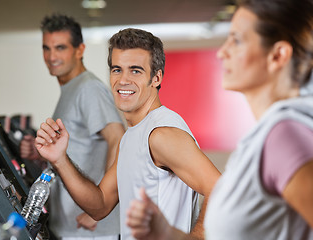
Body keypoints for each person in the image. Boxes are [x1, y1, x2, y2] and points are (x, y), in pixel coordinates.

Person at [125, 0, 313, 239]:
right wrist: (168, 233)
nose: (222, 52)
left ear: (278, 55)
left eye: (236, 40)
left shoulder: (284, 136)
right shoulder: (264, 135)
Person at [34, 28, 221, 240]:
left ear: (156, 78)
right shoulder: (133, 135)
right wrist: (61, 160)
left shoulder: (160, 135)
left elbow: (222, 190)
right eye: (117, 70)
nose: (123, 80)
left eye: (135, 71)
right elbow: (101, 204)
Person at [20, 14, 125, 240]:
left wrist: (100, 207)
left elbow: (118, 138)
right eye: (46, 48)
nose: (51, 56)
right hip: (69, 224)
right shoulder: (71, 89)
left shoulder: (89, 88)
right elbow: (74, 151)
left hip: (90, 229)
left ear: (79, 50)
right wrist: (40, 156)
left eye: (60, 47)